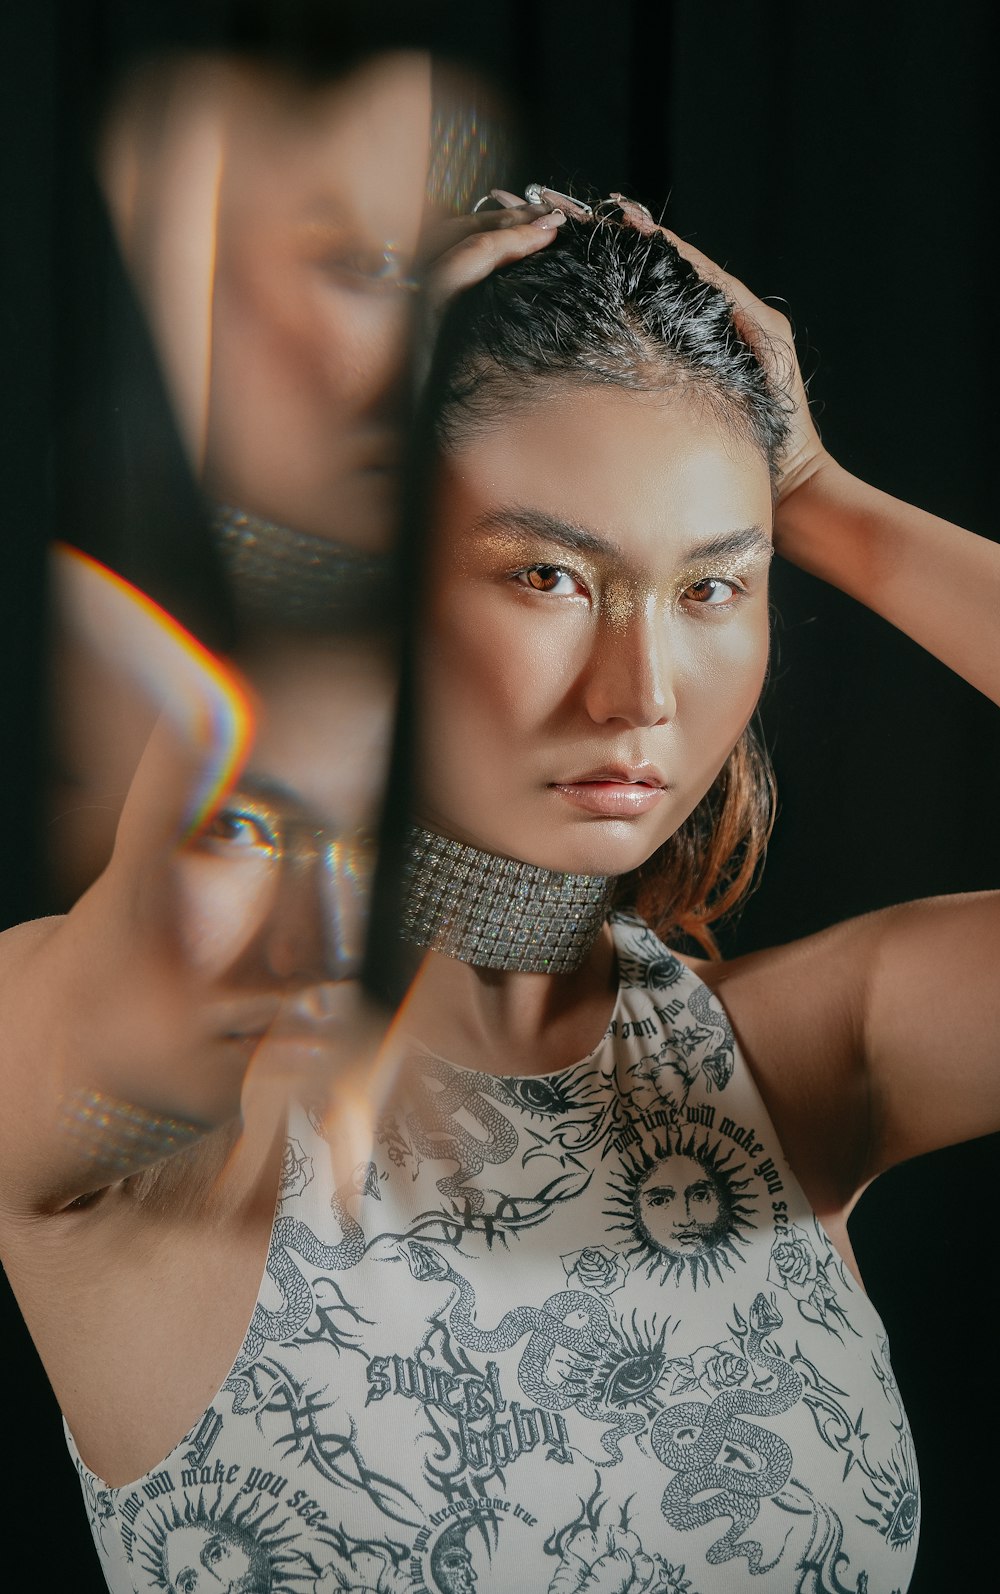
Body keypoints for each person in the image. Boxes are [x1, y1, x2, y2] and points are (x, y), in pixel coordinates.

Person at [4, 194, 995, 1594]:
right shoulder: (150, 1110)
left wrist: (828, 501)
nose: (640, 692)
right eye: (548, 574)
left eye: (715, 587)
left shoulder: (791, 1073)